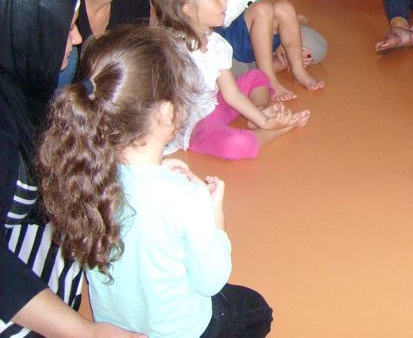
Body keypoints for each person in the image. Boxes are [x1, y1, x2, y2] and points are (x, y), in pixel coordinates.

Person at [37, 25, 273, 337]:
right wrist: (216, 217)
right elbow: (211, 281)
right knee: (258, 309)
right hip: (183, 328)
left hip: (116, 325)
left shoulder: (84, 175)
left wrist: (159, 167)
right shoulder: (188, 198)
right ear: (165, 113)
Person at [0, 0, 140, 337]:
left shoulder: (17, 76)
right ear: (24, 27)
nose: (77, 37)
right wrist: (85, 332)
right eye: (66, 26)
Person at [150, 0, 310, 160]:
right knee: (235, 145)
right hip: (193, 127)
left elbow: (231, 93)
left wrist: (261, 118)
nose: (225, 1)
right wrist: (270, 126)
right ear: (188, 9)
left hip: (214, 104)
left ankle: (258, 112)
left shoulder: (216, 43)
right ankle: (272, 131)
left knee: (258, 76)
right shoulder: (171, 50)